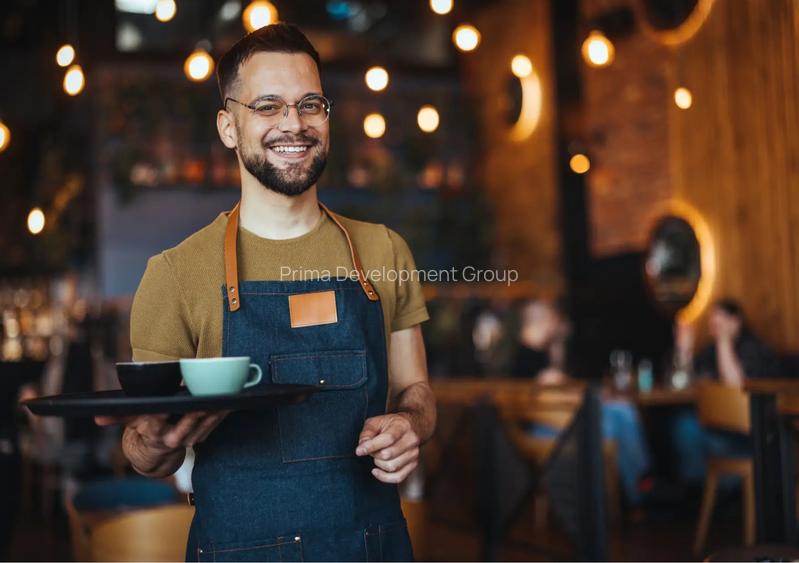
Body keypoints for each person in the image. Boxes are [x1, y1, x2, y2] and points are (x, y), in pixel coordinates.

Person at [97, 23, 436, 561]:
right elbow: (143, 447)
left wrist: (409, 424)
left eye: (310, 104)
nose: (293, 124)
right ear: (228, 126)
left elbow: (415, 389)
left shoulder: (383, 253)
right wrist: (155, 443)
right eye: (268, 106)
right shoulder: (175, 274)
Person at [510, 300, 652, 507]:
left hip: (559, 421)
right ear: (545, 321)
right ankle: (638, 492)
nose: (557, 321)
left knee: (622, 409)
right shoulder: (527, 358)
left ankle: (638, 489)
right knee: (614, 422)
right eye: (553, 317)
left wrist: (558, 344)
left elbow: (564, 388)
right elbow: (560, 393)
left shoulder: (535, 353)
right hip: (547, 428)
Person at [670, 299, 779, 483]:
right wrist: (684, 351)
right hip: (720, 427)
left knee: (685, 428)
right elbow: (681, 383)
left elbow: (736, 391)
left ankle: (710, 492)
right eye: (713, 323)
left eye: (720, 322)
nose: (715, 326)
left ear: (736, 321)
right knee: (679, 422)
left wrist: (723, 340)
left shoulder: (752, 349)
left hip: (751, 435)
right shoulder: (709, 352)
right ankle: (700, 491)